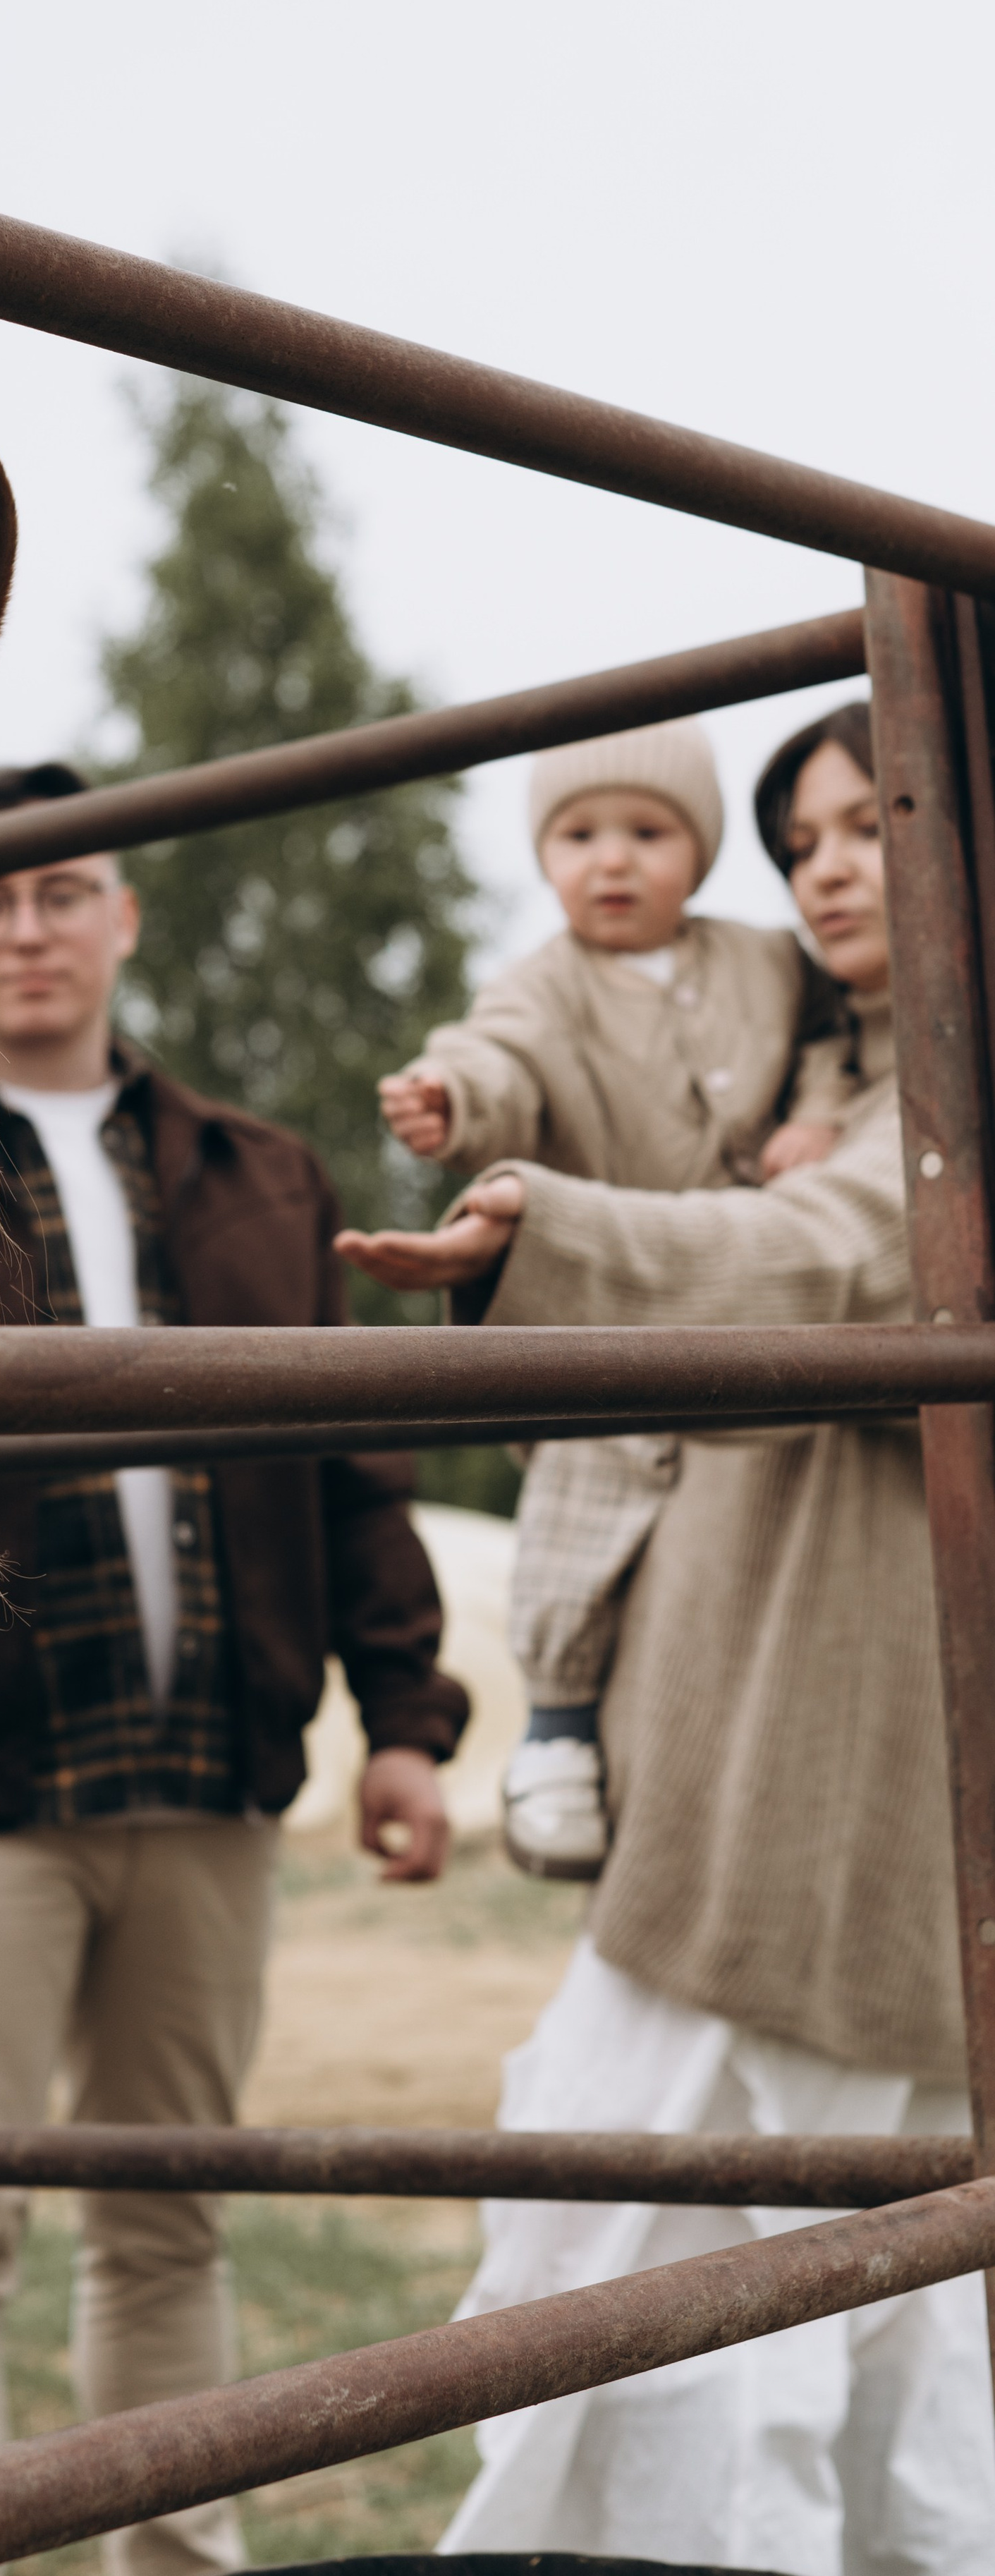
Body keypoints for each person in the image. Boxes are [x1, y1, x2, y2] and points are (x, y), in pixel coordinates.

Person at [341, 702, 995, 2574]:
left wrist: (541, 1234)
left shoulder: (942, 1102)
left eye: (881, 822)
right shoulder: (836, 1062)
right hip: (747, 1743)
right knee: (701, 2235)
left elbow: (842, 1264)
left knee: (750, 2266)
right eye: (805, 844)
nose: (836, 868)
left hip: (841, 1763)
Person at [0, 761, 468, 2576]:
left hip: (204, 1779)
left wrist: (405, 1726)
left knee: (168, 2224)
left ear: (124, 915)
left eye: (62, 891)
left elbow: (356, 1474)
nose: (24, 929)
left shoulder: (260, 1175)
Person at [378, 719, 855, 1881]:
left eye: (647, 833)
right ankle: (556, 1733)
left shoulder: (767, 959)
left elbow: (845, 1036)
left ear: (698, 852)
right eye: (580, 836)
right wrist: (454, 1099)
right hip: (606, 1305)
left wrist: (825, 1116)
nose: (612, 861)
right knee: (576, 1518)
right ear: (546, 858)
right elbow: (501, 1057)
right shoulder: (544, 984)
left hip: (748, 1296)